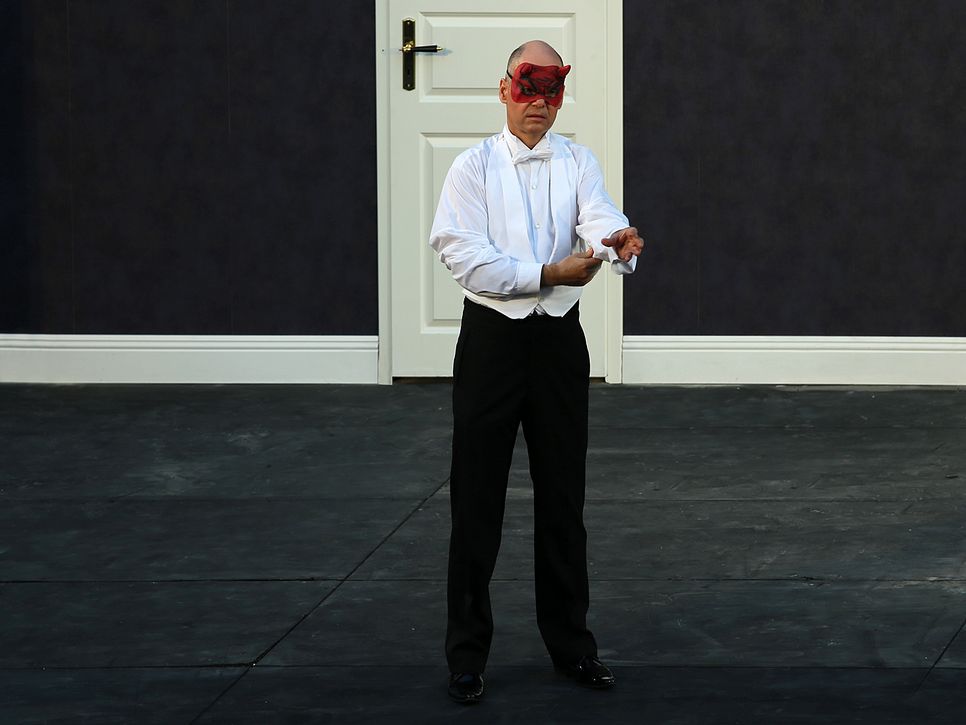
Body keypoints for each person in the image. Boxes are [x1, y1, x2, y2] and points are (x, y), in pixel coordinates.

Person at [429, 40, 644, 705]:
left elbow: (598, 213)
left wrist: (616, 238)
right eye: (529, 88)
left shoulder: (578, 160)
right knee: (476, 501)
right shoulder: (470, 167)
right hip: (491, 345)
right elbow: (464, 256)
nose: (539, 104)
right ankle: (467, 655)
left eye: (552, 92)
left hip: (558, 346)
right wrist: (548, 272)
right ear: (504, 90)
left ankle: (573, 645)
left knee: (563, 499)